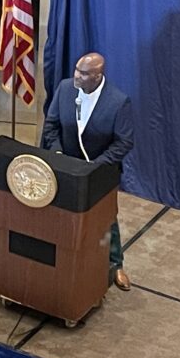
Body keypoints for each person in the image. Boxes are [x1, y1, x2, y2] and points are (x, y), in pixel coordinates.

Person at [41, 53, 134, 291]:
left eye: (83, 74)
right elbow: (51, 126)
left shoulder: (118, 102)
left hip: (99, 173)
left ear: (97, 76)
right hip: (66, 168)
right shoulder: (64, 89)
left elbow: (124, 143)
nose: (77, 76)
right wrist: (58, 154)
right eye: (76, 70)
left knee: (105, 220)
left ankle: (115, 264)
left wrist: (95, 166)